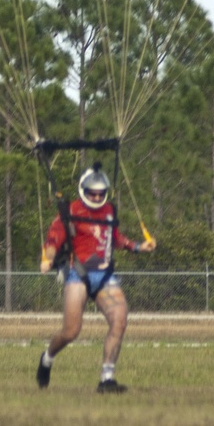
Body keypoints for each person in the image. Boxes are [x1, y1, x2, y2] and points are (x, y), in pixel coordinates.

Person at [36, 162, 155, 394]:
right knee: (71, 331)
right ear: (84, 190)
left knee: (120, 319)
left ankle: (107, 378)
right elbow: (53, 238)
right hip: (78, 273)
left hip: (105, 275)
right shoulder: (70, 211)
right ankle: (47, 358)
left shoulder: (109, 210)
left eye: (101, 193)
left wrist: (139, 247)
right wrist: (47, 259)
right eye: (93, 193)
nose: (98, 196)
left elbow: (115, 237)